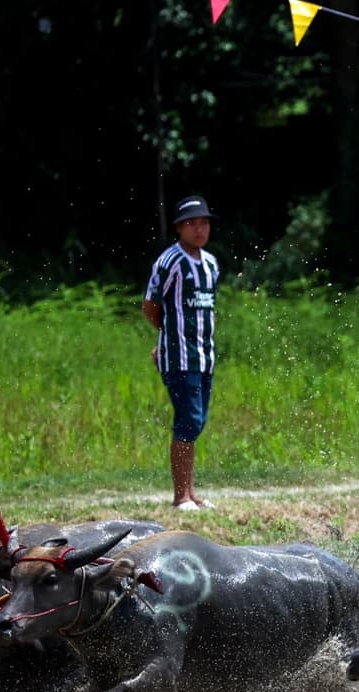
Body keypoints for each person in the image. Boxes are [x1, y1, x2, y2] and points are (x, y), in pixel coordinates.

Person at [142, 194, 221, 511]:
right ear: (179, 228)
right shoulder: (170, 262)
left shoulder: (212, 264)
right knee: (188, 420)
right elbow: (150, 306)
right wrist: (166, 340)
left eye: (203, 223)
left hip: (205, 355)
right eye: (192, 223)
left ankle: (191, 492)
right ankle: (180, 496)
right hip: (179, 357)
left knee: (197, 422)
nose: (199, 229)